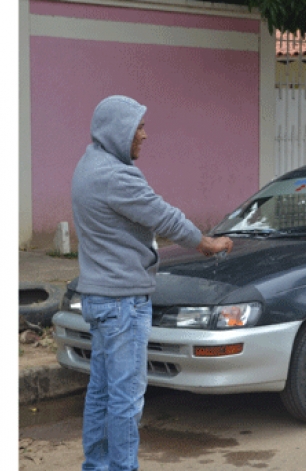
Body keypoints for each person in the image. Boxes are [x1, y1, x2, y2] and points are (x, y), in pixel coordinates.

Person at [71, 95, 233, 471]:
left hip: (99, 296)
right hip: (122, 301)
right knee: (126, 396)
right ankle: (122, 467)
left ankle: (96, 465)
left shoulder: (88, 164)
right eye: (137, 128)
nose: (144, 135)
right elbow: (163, 215)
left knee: (101, 391)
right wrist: (204, 242)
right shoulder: (116, 175)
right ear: (117, 132)